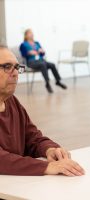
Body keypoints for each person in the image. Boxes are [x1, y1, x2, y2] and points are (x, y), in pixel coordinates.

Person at [0, 46, 84, 176]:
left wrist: (49, 149)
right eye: (7, 66)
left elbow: (33, 138)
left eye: (17, 67)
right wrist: (47, 167)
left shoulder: (12, 102)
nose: (15, 73)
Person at [20, 29, 67, 94]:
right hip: (31, 62)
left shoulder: (36, 43)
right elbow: (23, 54)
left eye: (32, 33)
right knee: (43, 64)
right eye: (30, 33)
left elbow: (42, 54)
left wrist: (42, 51)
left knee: (52, 64)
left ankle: (58, 81)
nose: (32, 34)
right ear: (26, 35)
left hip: (41, 60)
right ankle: (47, 83)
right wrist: (29, 53)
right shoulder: (23, 44)